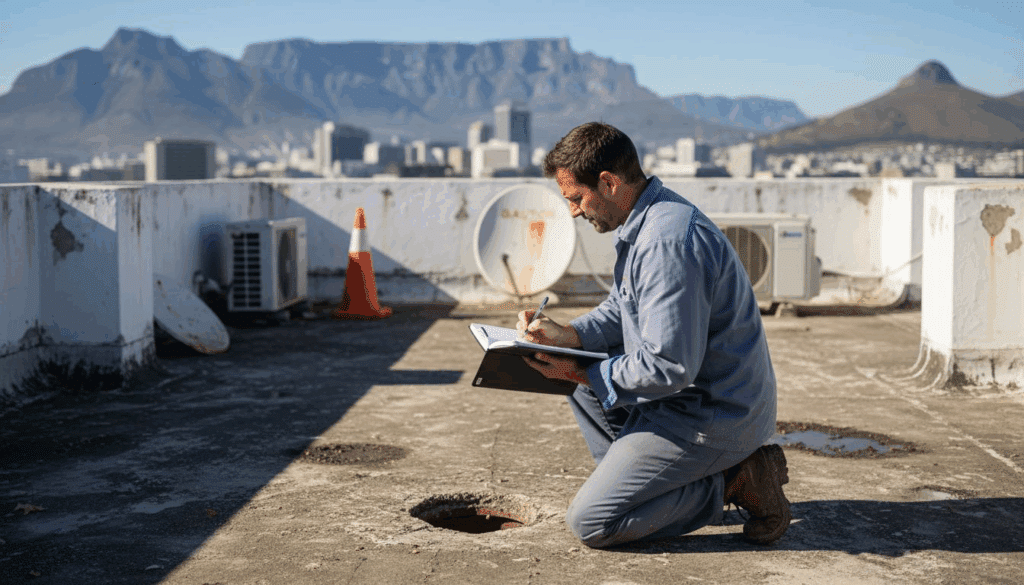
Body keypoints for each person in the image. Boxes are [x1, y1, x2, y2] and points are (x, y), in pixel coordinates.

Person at [516, 122, 790, 548]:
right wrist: (567, 336)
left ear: (607, 182)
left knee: (592, 522)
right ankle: (650, 490)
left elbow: (669, 366)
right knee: (586, 379)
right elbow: (621, 309)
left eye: (575, 198)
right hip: (685, 401)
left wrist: (583, 372)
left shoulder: (667, 243)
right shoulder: (644, 220)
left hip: (713, 413)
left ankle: (737, 480)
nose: (573, 211)